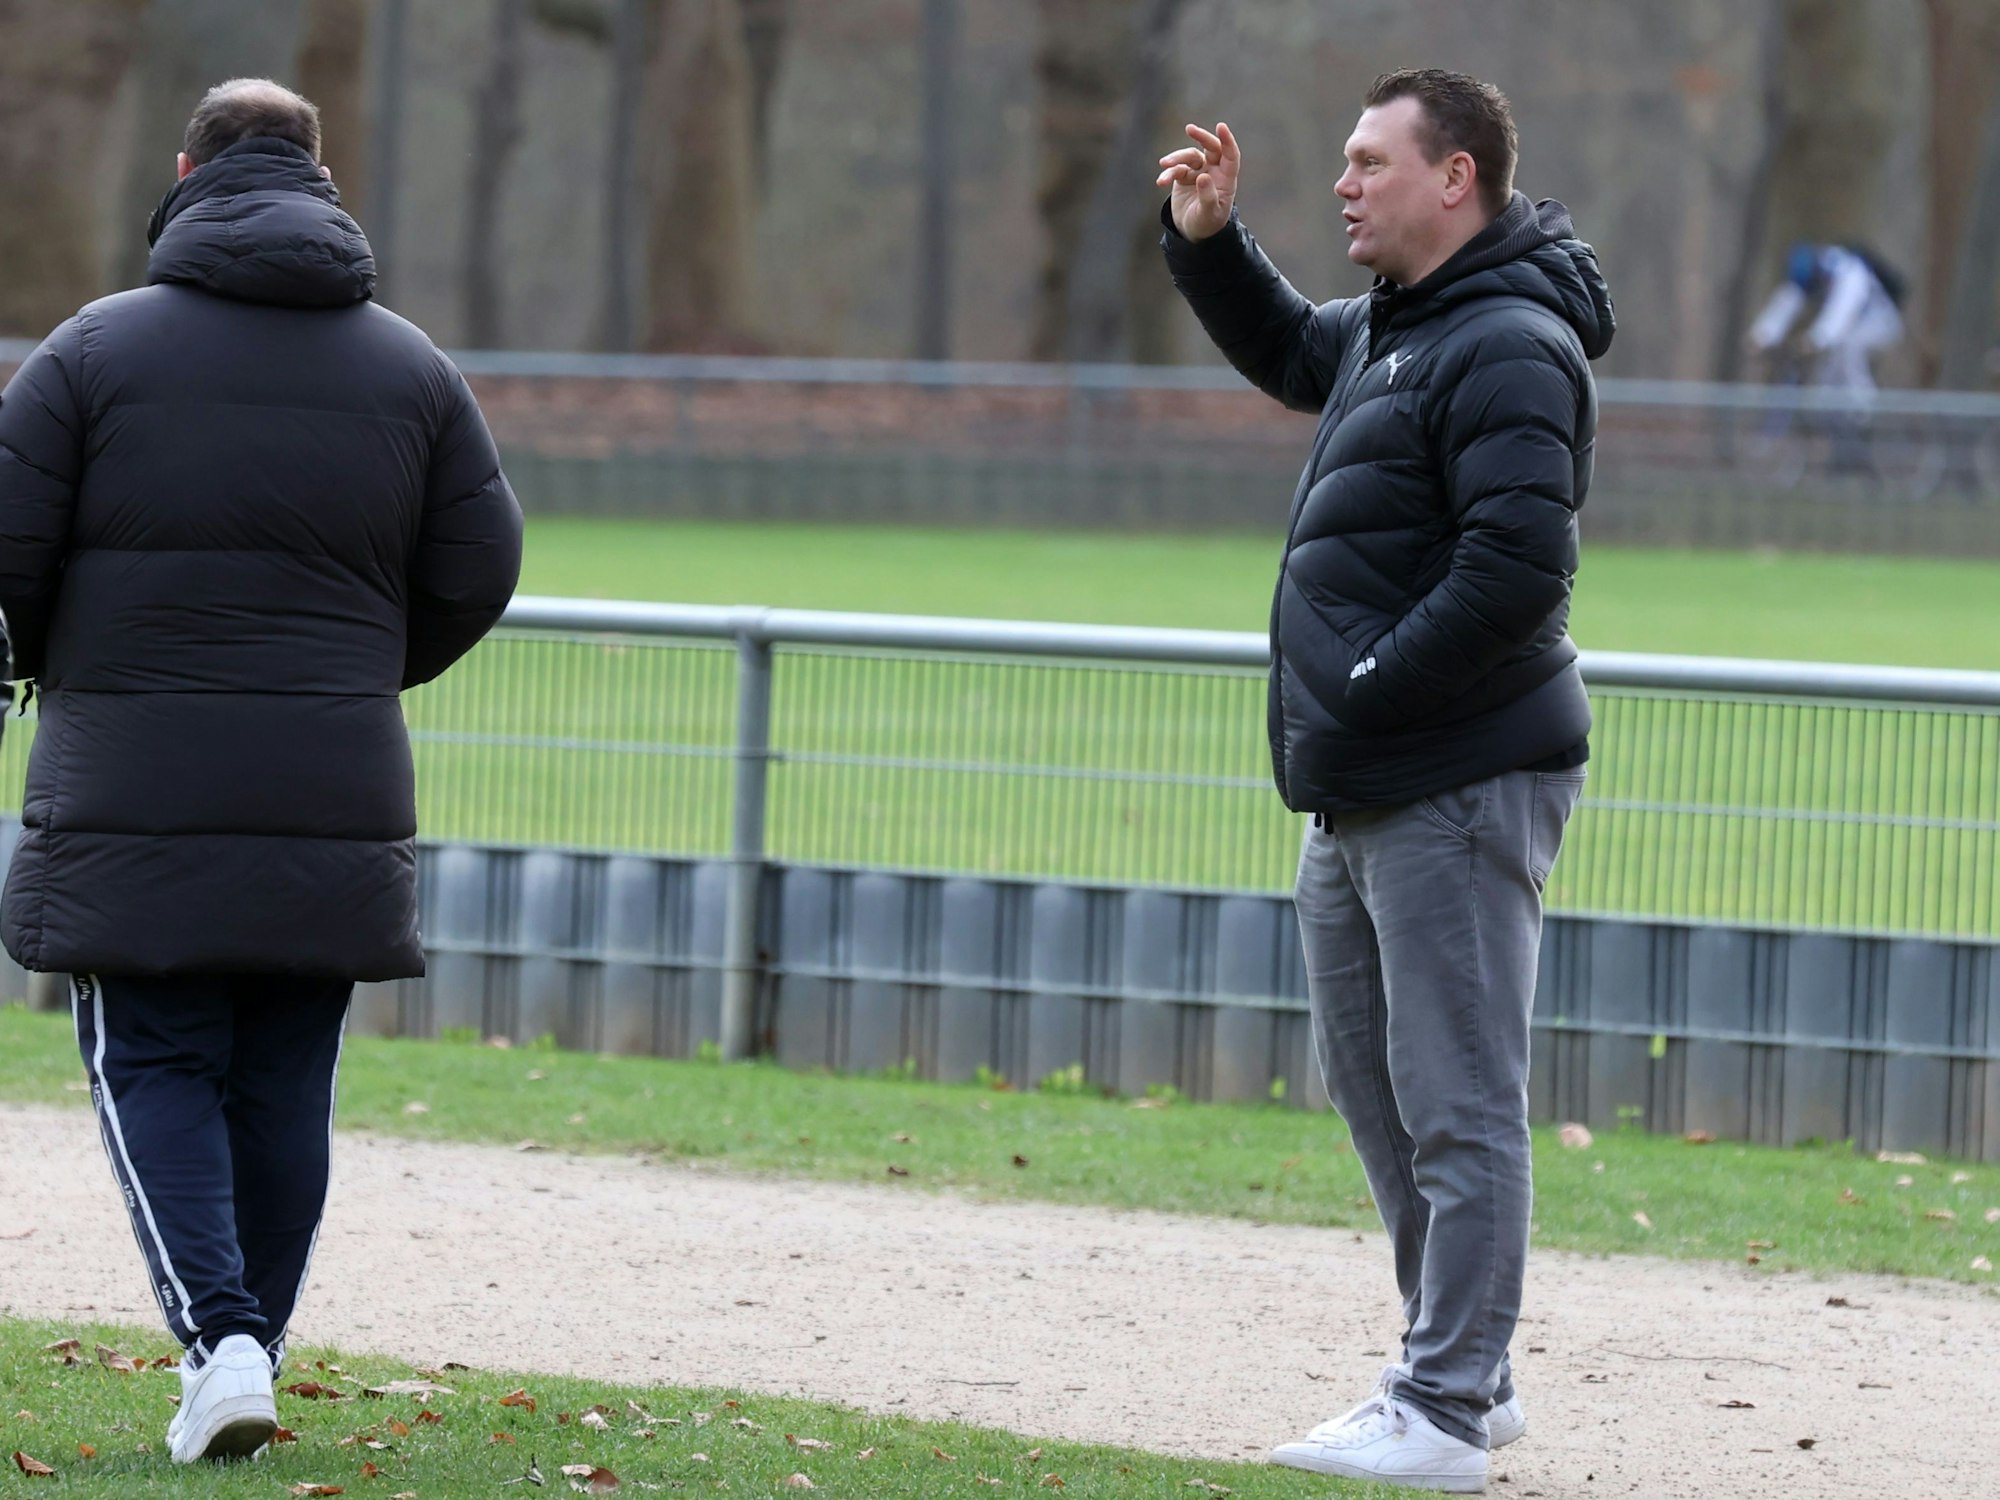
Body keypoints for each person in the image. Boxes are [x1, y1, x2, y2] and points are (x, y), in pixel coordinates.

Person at [0, 78, 522, 1462]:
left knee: (153, 1060)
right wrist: (359, 671)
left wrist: (63, 661)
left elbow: (5, 552)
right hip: (334, 784)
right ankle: (249, 1351)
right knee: (286, 1077)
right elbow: (482, 568)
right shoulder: (411, 367)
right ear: (322, 176)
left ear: (185, 170)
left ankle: (220, 1342)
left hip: (133, 780)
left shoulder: (90, 353)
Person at [1158, 70, 1612, 1493]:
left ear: (1455, 177)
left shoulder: (1513, 343)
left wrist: (1361, 689)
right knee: (1383, 1100)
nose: (1344, 182)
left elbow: (1518, 570)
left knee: (1458, 1105)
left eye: (1369, 162)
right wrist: (1213, 243)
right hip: (1363, 788)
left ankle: (1446, 1405)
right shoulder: (1399, 329)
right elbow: (1298, 352)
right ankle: (1460, 1361)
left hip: (1454, 781)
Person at [1746, 241, 1904, 397]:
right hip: (1852, 327)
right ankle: (1825, 415)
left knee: (1848, 349)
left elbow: (1840, 312)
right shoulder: (1810, 274)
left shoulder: (1848, 270)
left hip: (1880, 323)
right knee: (1824, 373)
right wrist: (1761, 336)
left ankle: (1865, 408)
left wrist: (1816, 339)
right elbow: (1786, 304)